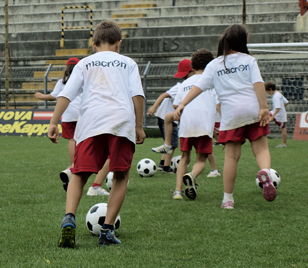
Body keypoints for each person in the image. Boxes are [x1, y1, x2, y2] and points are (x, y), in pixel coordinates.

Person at [48, 21, 145, 247]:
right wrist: (139, 126)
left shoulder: (85, 63)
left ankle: (69, 218)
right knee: (120, 175)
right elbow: (137, 96)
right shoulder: (128, 63)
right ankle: (107, 230)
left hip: (91, 122)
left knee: (79, 173)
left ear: (94, 45)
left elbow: (66, 94)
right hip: (121, 122)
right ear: (119, 44)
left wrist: (54, 121)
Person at [174, 23, 276, 209]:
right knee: (261, 149)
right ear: (242, 40)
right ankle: (265, 171)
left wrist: (182, 104)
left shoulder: (214, 64)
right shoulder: (249, 60)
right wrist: (264, 108)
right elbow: (258, 84)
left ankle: (228, 199)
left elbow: (198, 87)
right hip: (253, 109)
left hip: (231, 114)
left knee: (231, 158)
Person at [35, 57, 110, 195]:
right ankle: (85, 171)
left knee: (71, 139)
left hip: (68, 113)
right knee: (86, 140)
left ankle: (73, 165)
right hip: (83, 114)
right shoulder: (84, 77)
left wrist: (40, 96)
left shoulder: (61, 82)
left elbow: (54, 96)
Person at [171, 49, 217, 200]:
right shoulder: (211, 81)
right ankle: (191, 175)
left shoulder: (185, 83)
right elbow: (218, 103)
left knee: (184, 157)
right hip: (204, 124)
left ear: (193, 65)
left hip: (186, 124)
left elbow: (176, 105)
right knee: (201, 159)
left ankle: (178, 191)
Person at [147, 59, 191, 173]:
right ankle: (166, 168)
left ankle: (162, 164)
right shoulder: (180, 87)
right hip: (166, 118)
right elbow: (163, 95)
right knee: (171, 144)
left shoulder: (183, 86)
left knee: (170, 143)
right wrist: (154, 107)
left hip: (167, 118)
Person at [265, 81, 289, 147]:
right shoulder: (279, 94)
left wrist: (273, 116)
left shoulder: (276, 96)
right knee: (263, 118)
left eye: (267, 91)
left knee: (283, 129)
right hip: (278, 114)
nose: (267, 93)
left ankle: (284, 144)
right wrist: (282, 108)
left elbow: (278, 108)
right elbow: (287, 102)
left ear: (270, 89)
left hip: (279, 116)